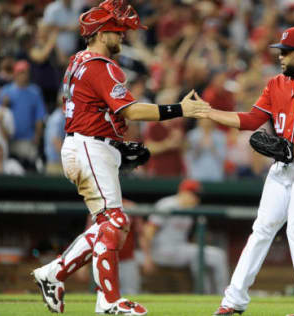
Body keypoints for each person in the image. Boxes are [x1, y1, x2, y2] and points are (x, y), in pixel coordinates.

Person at [31, 1, 209, 315]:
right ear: (100, 32)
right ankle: (108, 300)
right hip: (90, 146)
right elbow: (130, 110)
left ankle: (56, 274)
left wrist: (114, 141)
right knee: (114, 221)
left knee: (111, 225)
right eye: (117, 30)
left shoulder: (77, 60)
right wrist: (180, 110)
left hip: (89, 143)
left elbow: (93, 109)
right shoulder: (101, 65)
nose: (122, 36)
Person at [206, 26, 294, 316]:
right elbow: (251, 120)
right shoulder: (276, 83)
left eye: (285, 52)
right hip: (282, 167)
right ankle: (233, 300)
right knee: (262, 229)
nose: (280, 57)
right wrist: (207, 113)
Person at [141, 179, 229, 294]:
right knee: (218, 255)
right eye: (195, 194)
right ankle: (224, 295)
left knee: (199, 259)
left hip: (178, 250)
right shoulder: (167, 204)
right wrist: (147, 257)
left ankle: (207, 295)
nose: (197, 199)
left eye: (198, 196)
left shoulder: (189, 209)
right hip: (161, 251)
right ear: (184, 192)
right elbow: (148, 231)